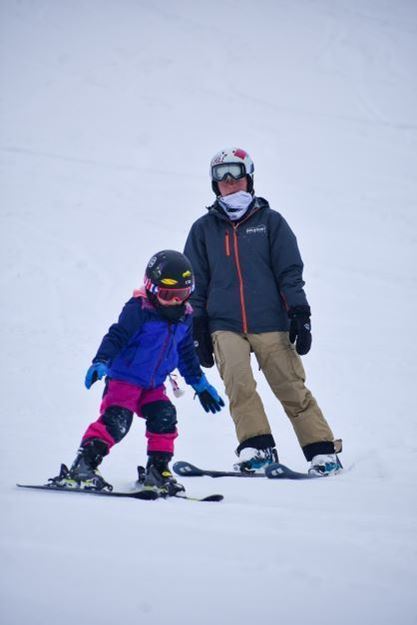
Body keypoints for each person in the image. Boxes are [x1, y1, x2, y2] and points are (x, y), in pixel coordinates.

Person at [184, 147, 342, 476]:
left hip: (270, 321)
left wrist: (299, 312)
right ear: (214, 184)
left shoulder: (271, 222)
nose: (229, 182)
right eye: (221, 176)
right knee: (239, 385)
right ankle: (257, 448)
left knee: (290, 386)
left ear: (249, 177)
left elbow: (289, 271)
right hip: (224, 325)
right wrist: (196, 325)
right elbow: (195, 282)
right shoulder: (203, 229)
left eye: (236, 174)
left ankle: (322, 451)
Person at [51, 250, 224, 495]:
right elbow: (117, 335)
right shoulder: (139, 309)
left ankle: (158, 471)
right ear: (152, 288)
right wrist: (101, 360)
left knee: (165, 415)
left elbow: (186, 354)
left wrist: (200, 384)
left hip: (152, 386)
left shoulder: (185, 318)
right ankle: (84, 466)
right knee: (117, 422)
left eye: (181, 295)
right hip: (124, 381)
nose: (176, 302)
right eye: (167, 294)